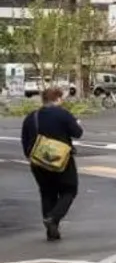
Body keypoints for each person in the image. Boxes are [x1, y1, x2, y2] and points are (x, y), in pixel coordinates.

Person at [20, 87, 84, 241]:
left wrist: (30, 157)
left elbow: (25, 140)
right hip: (62, 161)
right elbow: (78, 133)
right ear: (58, 99)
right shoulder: (63, 114)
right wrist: (76, 123)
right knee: (69, 190)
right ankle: (53, 218)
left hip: (38, 162)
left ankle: (51, 231)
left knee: (47, 193)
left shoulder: (32, 117)